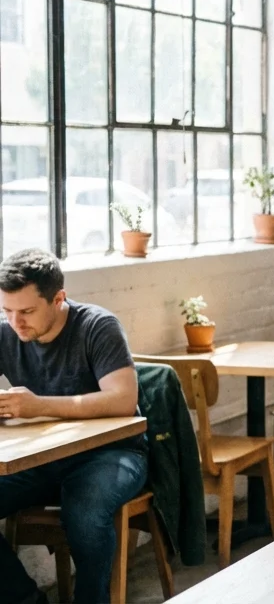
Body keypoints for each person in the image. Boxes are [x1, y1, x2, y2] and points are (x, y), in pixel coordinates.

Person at [0, 249, 146, 604]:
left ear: (58, 298)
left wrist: (38, 406)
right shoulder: (8, 332)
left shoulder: (97, 326)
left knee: (84, 511)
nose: (16, 322)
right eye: (7, 311)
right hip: (39, 458)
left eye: (27, 312)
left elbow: (123, 400)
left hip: (112, 453)